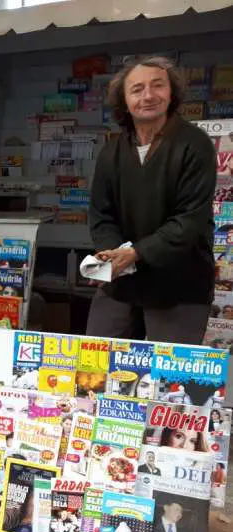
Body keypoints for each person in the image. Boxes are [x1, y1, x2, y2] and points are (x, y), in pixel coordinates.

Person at [86, 56, 216, 344]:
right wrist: (112, 254)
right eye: (137, 89)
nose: (148, 95)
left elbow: (189, 220)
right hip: (121, 281)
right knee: (94, 364)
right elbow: (101, 214)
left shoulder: (194, 145)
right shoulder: (112, 151)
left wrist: (135, 254)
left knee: (169, 378)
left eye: (157, 85)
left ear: (171, 94)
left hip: (179, 285)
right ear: (124, 99)